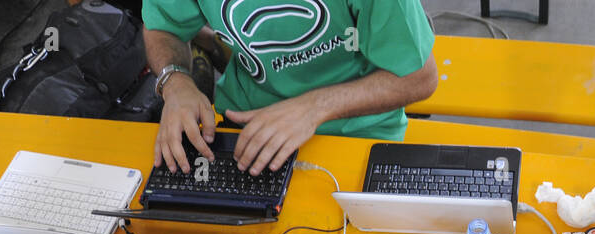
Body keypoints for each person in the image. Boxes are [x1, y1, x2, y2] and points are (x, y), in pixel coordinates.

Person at [142, 0, 438, 174]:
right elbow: (163, 27)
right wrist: (176, 81)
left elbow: (419, 77)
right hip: (246, 130)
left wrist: (312, 108)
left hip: (356, 134)